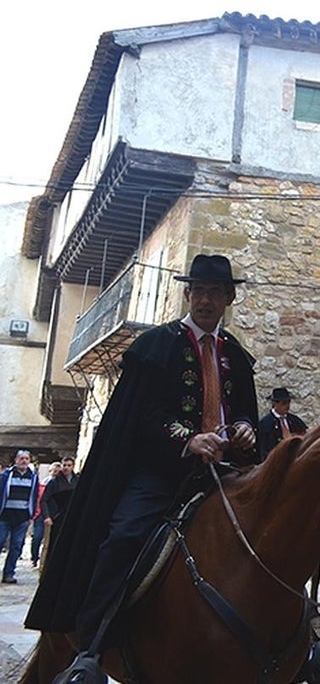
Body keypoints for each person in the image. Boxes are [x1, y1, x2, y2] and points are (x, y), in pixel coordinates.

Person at [25, 254, 259, 672]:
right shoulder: (157, 345)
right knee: (123, 537)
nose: (205, 300)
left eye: (214, 293)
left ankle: (296, 643)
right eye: (198, 291)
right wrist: (188, 439)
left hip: (223, 473)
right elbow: (143, 415)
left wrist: (243, 427)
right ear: (188, 294)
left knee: (275, 527)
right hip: (162, 473)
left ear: (229, 298)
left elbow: (242, 409)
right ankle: (90, 650)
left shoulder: (236, 356)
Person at [0, 450, 39, 584]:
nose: (24, 461)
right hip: (4, 515)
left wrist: (31, 514)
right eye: (21, 458)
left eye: (26, 459)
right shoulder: (6, 475)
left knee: (16, 546)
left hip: (22, 517)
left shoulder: (33, 477)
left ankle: (9, 573)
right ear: (16, 460)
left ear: (29, 461)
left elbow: (34, 496)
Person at [40, 456, 79, 571]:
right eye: (64, 465)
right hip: (57, 517)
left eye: (69, 465)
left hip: (73, 517)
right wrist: (47, 516)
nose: (66, 468)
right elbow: (44, 500)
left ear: (73, 467)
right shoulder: (54, 482)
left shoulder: (78, 481)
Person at [256, 387, 309, 462]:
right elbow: (264, 449)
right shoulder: (266, 423)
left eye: (288, 402)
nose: (287, 406)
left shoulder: (295, 421)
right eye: (284, 403)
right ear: (274, 403)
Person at [30, 461, 60, 569]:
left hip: (53, 514)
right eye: (54, 471)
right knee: (37, 537)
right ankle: (34, 558)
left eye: (57, 471)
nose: (55, 473)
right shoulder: (43, 483)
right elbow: (39, 499)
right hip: (41, 514)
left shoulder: (60, 484)